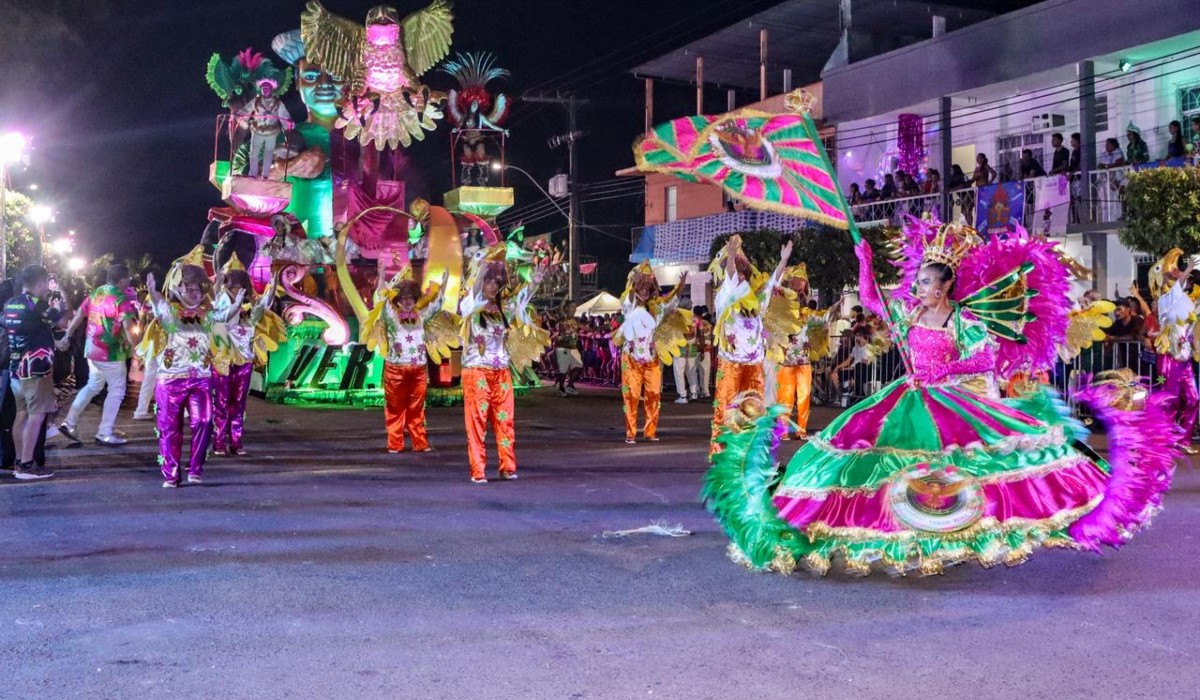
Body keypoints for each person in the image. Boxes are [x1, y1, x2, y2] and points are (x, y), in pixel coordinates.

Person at [704, 219, 1178, 577]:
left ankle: (946, 533)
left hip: (949, 399)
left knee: (953, 466)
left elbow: (982, 359)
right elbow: (873, 302)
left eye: (929, 284)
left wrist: (945, 369)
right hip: (904, 397)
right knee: (867, 461)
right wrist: (865, 263)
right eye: (920, 283)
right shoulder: (909, 315)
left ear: (947, 285)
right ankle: (892, 533)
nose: (921, 289)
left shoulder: (963, 320)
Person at [144, 266, 243, 487]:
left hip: (200, 380)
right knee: (170, 428)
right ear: (178, 290)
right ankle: (171, 473)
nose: (194, 292)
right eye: (188, 288)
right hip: (170, 380)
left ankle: (195, 467)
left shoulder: (209, 316)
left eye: (197, 288)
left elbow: (223, 331)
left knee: (205, 421)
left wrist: (236, 307)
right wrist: (152, 293)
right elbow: (158, 304)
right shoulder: (169, 313)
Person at [458, 247, 545, 483]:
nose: (493, 286)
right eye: (489, 281)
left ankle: (507, 466)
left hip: (501, 373)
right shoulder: (470, 304)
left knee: (505, 420)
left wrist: (535, 282)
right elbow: (475, 288)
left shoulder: (503, 308)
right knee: (476, 422)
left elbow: (522, 298)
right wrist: (483, 267)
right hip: (476, 371)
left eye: (496, 281)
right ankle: (478, 470)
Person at [710, 234, 792, 454]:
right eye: (739, 275)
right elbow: (728, 278)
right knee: (726, 407)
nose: (742, 278)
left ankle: (751, 451)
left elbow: (771, 284)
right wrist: (731, 255)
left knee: (755, 408)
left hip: (754, 363)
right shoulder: (724, 299)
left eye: (745, 275)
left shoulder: (755, 305)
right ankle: (722, 452)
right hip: (730, 364)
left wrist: (783, 260)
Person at [364, 264, 450, 454]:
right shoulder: (390, 316)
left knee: (417, 407)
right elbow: (382, 297)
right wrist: (381, 275)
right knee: (395, 407)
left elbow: (437, 305)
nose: (408, 301)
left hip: (419, 369)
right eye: (404, 298)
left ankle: (420, 442)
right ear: (398, 300)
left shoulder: (421, 315)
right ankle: (395, 443)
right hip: (395, 369)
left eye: (411, 297)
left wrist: (443, 285)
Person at [58, 264, 139, 446]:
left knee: (93, 385)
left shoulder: (96, 293)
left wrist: (67, 336)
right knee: (117, 390)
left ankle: (69, 423)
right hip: (111, 352)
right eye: (128, 279)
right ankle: (105, 432)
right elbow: (128, 327)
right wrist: (139, 349)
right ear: (122, 279)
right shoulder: (120, 299)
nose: (129, 282)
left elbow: (80, 314)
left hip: (92, 349)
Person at [210, 258, 281, 457]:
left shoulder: (251, 308)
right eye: (232, 287)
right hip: (223, 360)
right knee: (221, 402)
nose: (235, 291)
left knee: (238, 403)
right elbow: (219, 323)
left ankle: (236, 441)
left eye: (239, 287)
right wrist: (234, 304)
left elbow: (265, 304)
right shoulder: (219, 304)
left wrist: (273, 287)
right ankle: (218, 442)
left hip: (244, 361)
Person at [613, 262, 687, 443]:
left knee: (654, 394)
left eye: (648, 286)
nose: (644, 290)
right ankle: (631, 433)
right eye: (641, 286)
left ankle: (650, 431)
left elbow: (671, 301)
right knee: (631, 396)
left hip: (651, 358)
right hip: (631, 358)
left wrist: (681, 287)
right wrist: (635, 281)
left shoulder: (658, 308)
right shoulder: (628, 306)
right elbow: (630, 297)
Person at [1, 266, 64, 480]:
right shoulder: (35, 304)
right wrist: (61, 292)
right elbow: (62, 320)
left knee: (22, 415)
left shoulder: (11, 303)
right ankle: (27, 466)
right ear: (40, 283)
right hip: (36, 370)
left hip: (15, 369)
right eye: (46, 283)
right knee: (36, 417)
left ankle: (20, 461)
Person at [1151, 251, 1198, 453]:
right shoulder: (1166, 300)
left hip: (1185, 359)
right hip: (1169, 358)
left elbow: (1192, 325)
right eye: (1170, 277)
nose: (1174, 279)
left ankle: (1182, 439)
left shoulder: (1188, 303)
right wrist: (1188, 269)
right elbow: (1177, 288)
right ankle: (1165, 438)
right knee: (1170, 399)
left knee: (1194, 400)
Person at [553, 301, 584, 397]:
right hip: (564, 348)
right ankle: (561, 388)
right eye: (572, 306)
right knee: (563, 370)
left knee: (578, 366)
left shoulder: (576, 321)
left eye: (575, 307)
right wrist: (563, 302)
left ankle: (570, 385)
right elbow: (560, 309)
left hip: (573, 348)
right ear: (566, 308)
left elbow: (587, 328)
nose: (574, 309)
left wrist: (602, 328)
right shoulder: (563, 318)